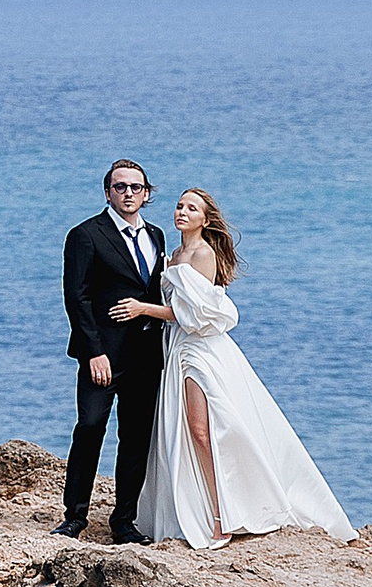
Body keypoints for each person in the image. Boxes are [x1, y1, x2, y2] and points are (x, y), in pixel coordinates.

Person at [111, 188, 356, 550]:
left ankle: (221, 516)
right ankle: (198, 508)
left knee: (201, 430)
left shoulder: (202, 254)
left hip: (199, 349)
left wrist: (143, 310)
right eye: (180, 206)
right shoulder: (174, 253)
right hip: (175, 347)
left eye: (191, 208)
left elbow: (196, 316)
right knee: (181, 430)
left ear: (205, 220)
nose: (182, 212)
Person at [59, 161, 166, 542]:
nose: (128, 193)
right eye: (120, 187)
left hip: (146, 357)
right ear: (108, 193)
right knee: (89, 429)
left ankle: (124, 521)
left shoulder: (156, 235)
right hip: (101, 356)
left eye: (136, 187)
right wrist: (93, 352)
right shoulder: (85, 235)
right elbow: (77, 296)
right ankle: (75, 516)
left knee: (136, 437)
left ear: (146, 193)